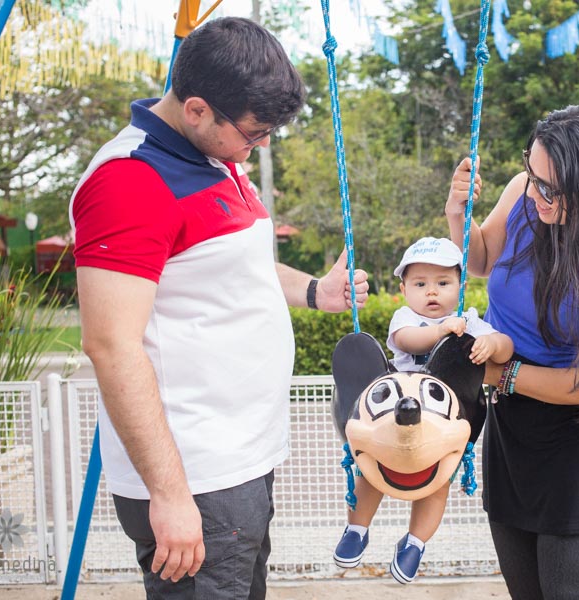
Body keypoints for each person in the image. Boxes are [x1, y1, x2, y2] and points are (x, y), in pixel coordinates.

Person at [69, 17, 368, 600]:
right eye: (256, 133)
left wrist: (314, 292)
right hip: (196, 475)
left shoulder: (215, 156)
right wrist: (171, 494)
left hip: (239, 459)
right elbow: (111, 345)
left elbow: (230, 267)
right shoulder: (130, 181)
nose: (263, 145)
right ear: (198, 109)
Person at [444, 104, 579, 600]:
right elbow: (479, 260)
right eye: (533, 174)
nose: (537, 194)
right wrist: (458, 215)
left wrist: (501, 375)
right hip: (516, 429)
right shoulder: (522, 193)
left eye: (552, 188)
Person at [333, 236, 512, 584]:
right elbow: (406, 341)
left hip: (437, 426)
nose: (432, 292)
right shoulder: (406, 319)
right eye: (420, 284)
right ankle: (357, 528)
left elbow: (506, 350)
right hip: (395, 421)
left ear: (460, 285)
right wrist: (441, 332)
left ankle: (415, 542)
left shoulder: (469, 322)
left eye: (443, 283)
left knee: (436, 483)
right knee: (371, 471)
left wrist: (492, 343)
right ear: (403, 289)